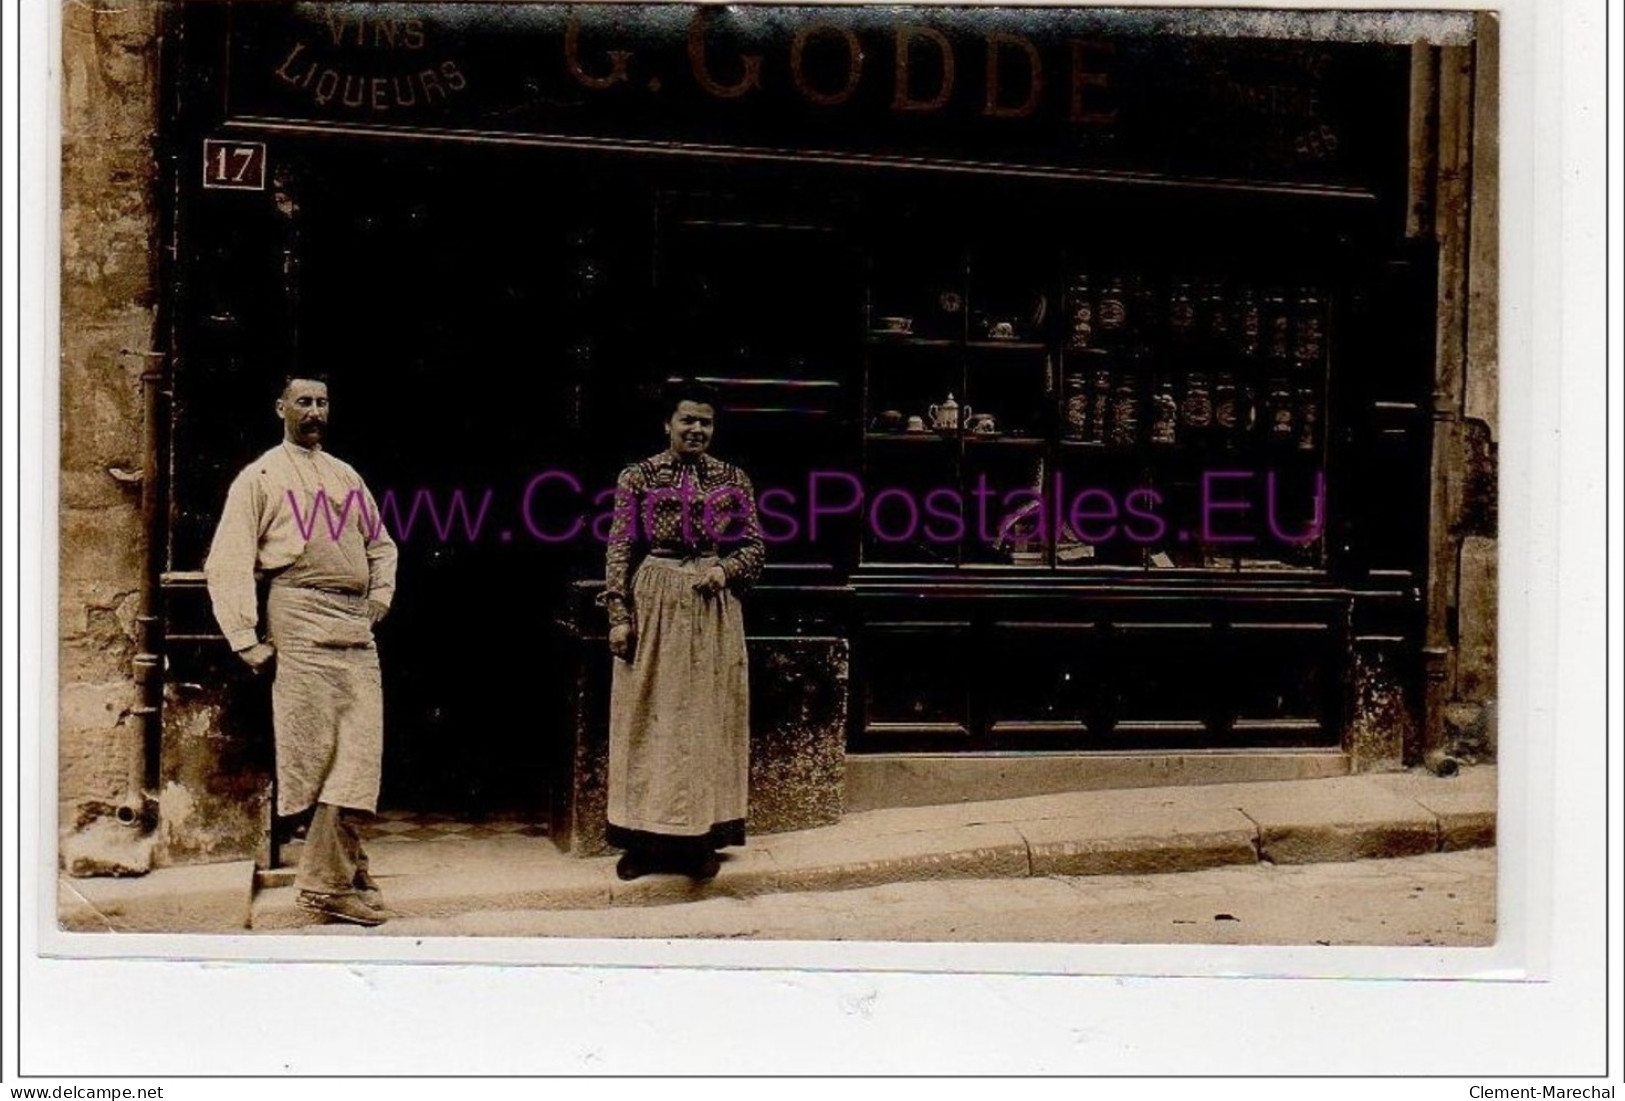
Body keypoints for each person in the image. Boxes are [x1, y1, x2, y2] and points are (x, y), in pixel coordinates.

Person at [204, 375, 398, 926]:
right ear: (281, 408)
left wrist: (379, 596)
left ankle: (340, 871)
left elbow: (381, 544)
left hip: (353, 622)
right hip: (299, 618)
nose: (314, 411)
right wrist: (244, 637)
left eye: (322, 402)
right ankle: (326, 883)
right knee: (320, 755)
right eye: (303, 402)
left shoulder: (344, 474)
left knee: (360, 751)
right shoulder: (260, 476)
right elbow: (229, 557)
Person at [600, 379, 765, 881]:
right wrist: (620, 617)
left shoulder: (732, 478)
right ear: (667, 424)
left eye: (705, 422)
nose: (697, 429)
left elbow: (755, 548)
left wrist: (725, 571)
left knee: (706, 721)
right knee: (651, 717)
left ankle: (699, 841)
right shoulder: (640, 476)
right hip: (657, 602)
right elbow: (620, 546)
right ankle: (644, 841)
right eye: (687, 420)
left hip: (712, 605)